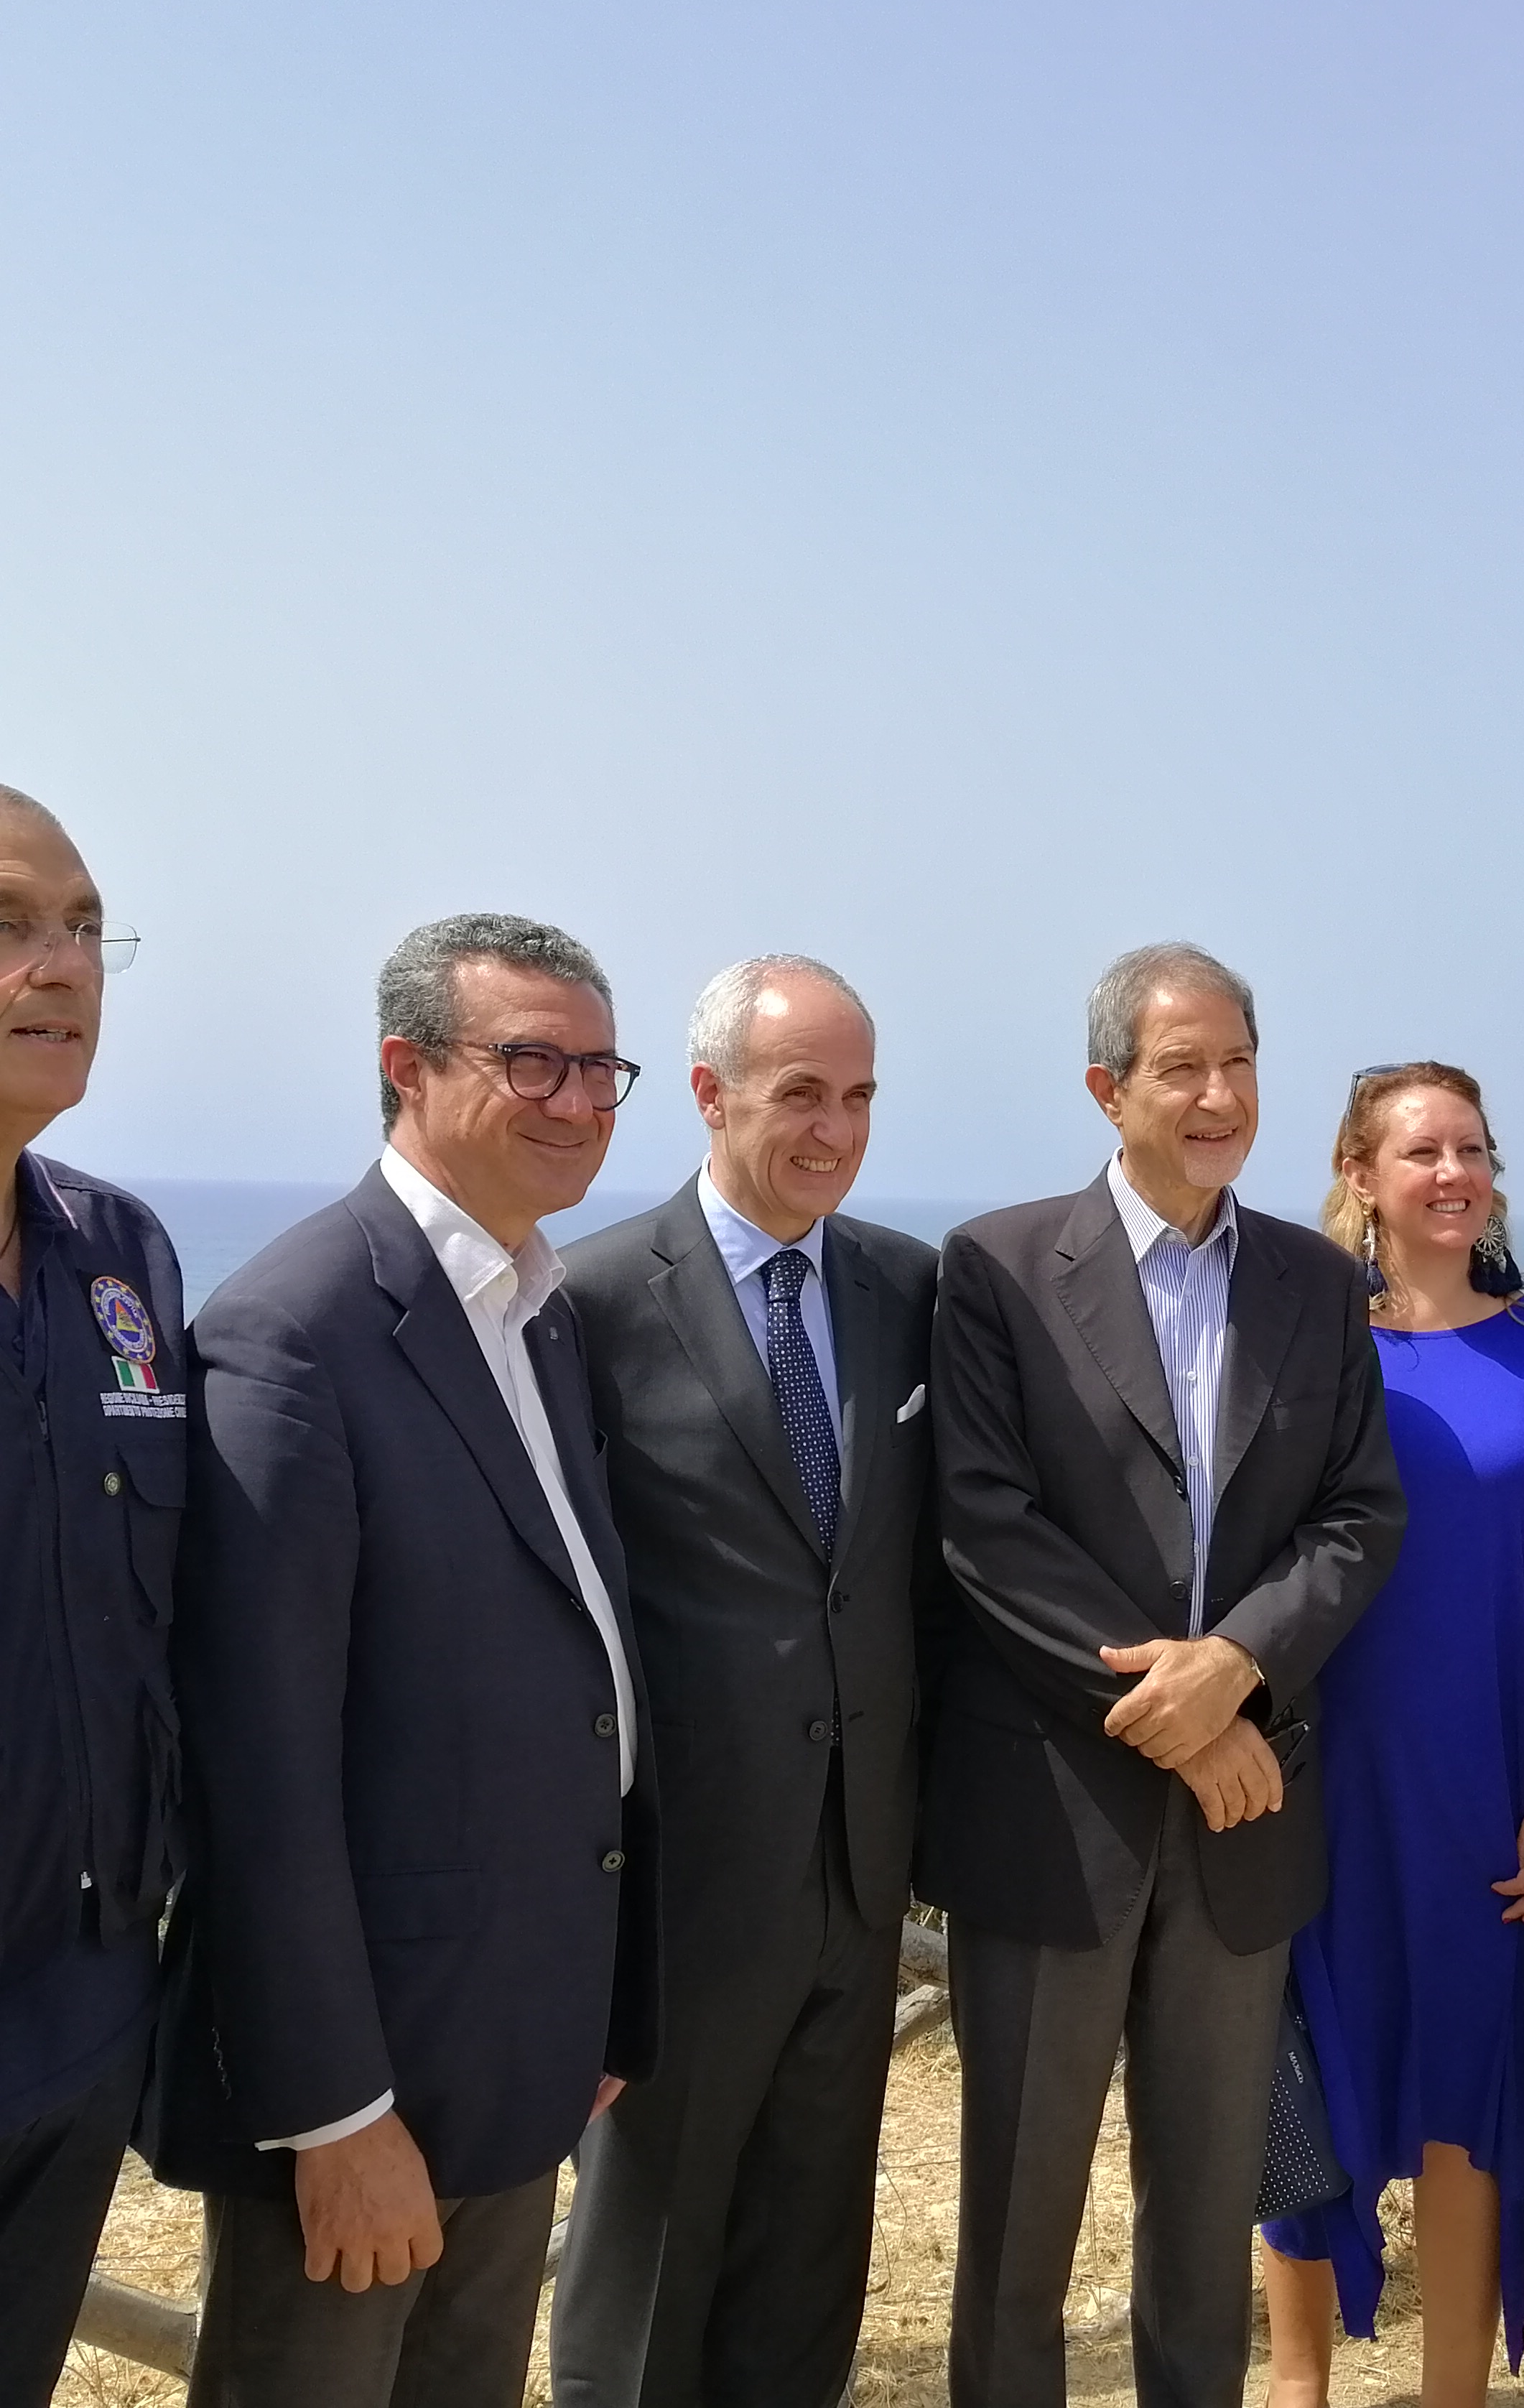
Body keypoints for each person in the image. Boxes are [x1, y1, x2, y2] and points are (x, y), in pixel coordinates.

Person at [145, 914, 661, 2408]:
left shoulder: (539, 1316)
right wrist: (334, 2114)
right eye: (534, 1063)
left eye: (600, 1069)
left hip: (516, 2048)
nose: (580, 1101)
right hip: (365, 2081)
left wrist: (601, 2009)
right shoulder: (292, 1331)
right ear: (407, 1068)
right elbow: (258, 1766)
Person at [924, 941, 1405, 2408]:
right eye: (1181, 1068)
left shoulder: (1317, 1282)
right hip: (1054, 1820)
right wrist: (1186, 1723)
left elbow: (1358, 1515)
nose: (1218, 1096)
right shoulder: (999, 1267)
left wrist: (1240, 1664)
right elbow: (986, 1525)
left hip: (1245, 1825)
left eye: (1238, 1064)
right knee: (1020, 2227)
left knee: (1205, 2224)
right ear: (1106, 1089)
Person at [550, 956, 940, 2408]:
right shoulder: (589, 1300)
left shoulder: (910, 1288)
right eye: (800, 1095)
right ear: (709, 1096)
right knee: (648, 2271)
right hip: (683, 1888)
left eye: (860, 1097)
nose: (835, 1131)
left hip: (861, 1874)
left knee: (807, 2269)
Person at [1258, 1063, 1524, 2407]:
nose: (1453, 1174)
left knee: (1475, 2081)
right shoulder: (1301, 1339)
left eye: (1472, 1149)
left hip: (1491, 1781)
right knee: (1305, 2077)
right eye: (1420, 1152)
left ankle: (1456, 2389)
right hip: (1317, 1780)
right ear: (1359, 1174)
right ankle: (1297, 2388)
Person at [0, 789, 179, 2408]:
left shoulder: (120, 1255)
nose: (59, 966)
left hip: (85, 1989)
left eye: (80, 928)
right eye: (6, 926)